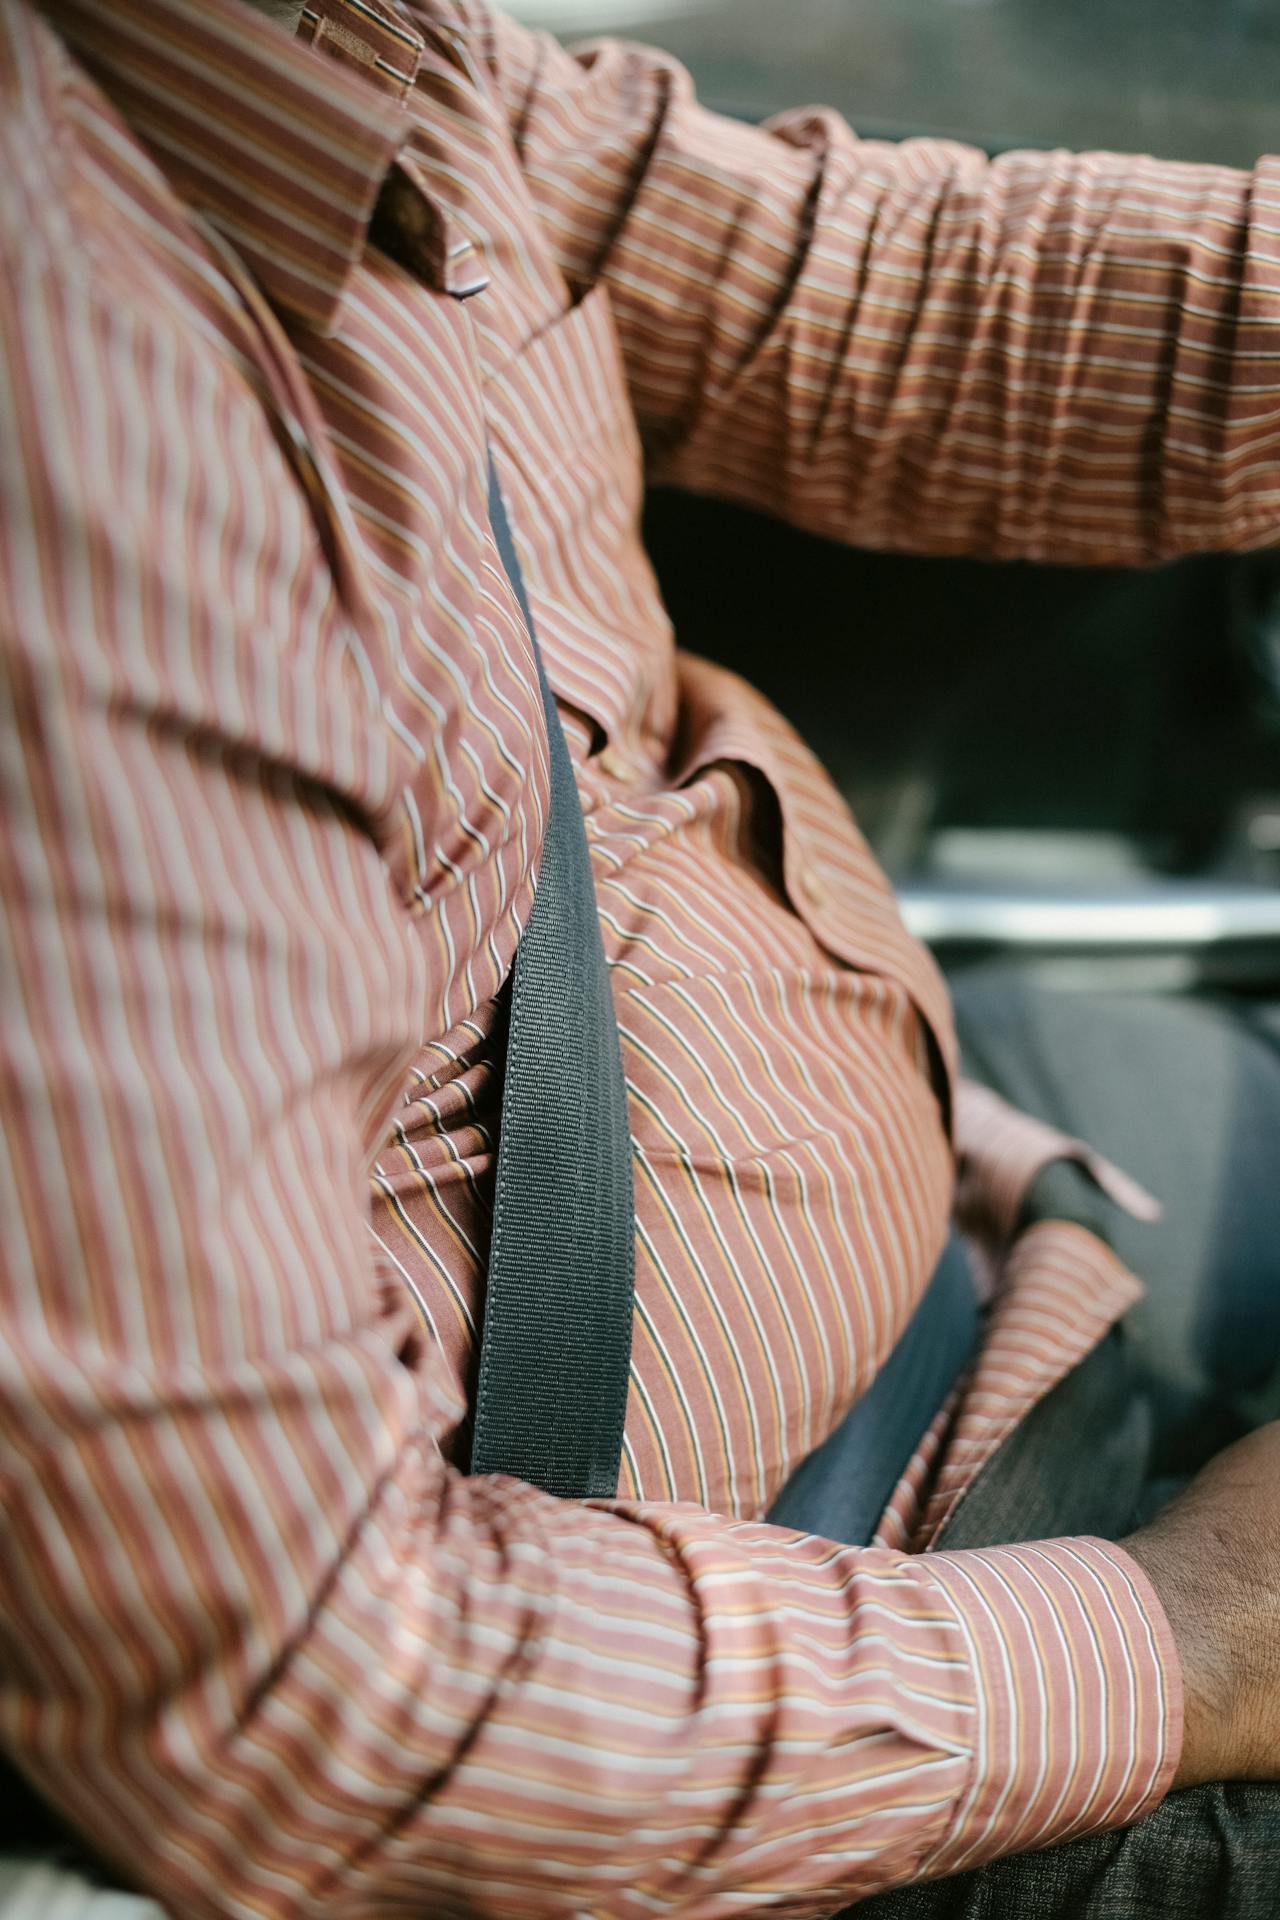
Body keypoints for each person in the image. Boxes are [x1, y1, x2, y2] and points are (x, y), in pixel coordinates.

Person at [0, 0, 1277, 1914]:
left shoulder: (341, 56)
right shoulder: (77, 416)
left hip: (966, 1238)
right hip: (753, 1683)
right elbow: (300, 1705)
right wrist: (1184, 1647)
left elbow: (882, 297)